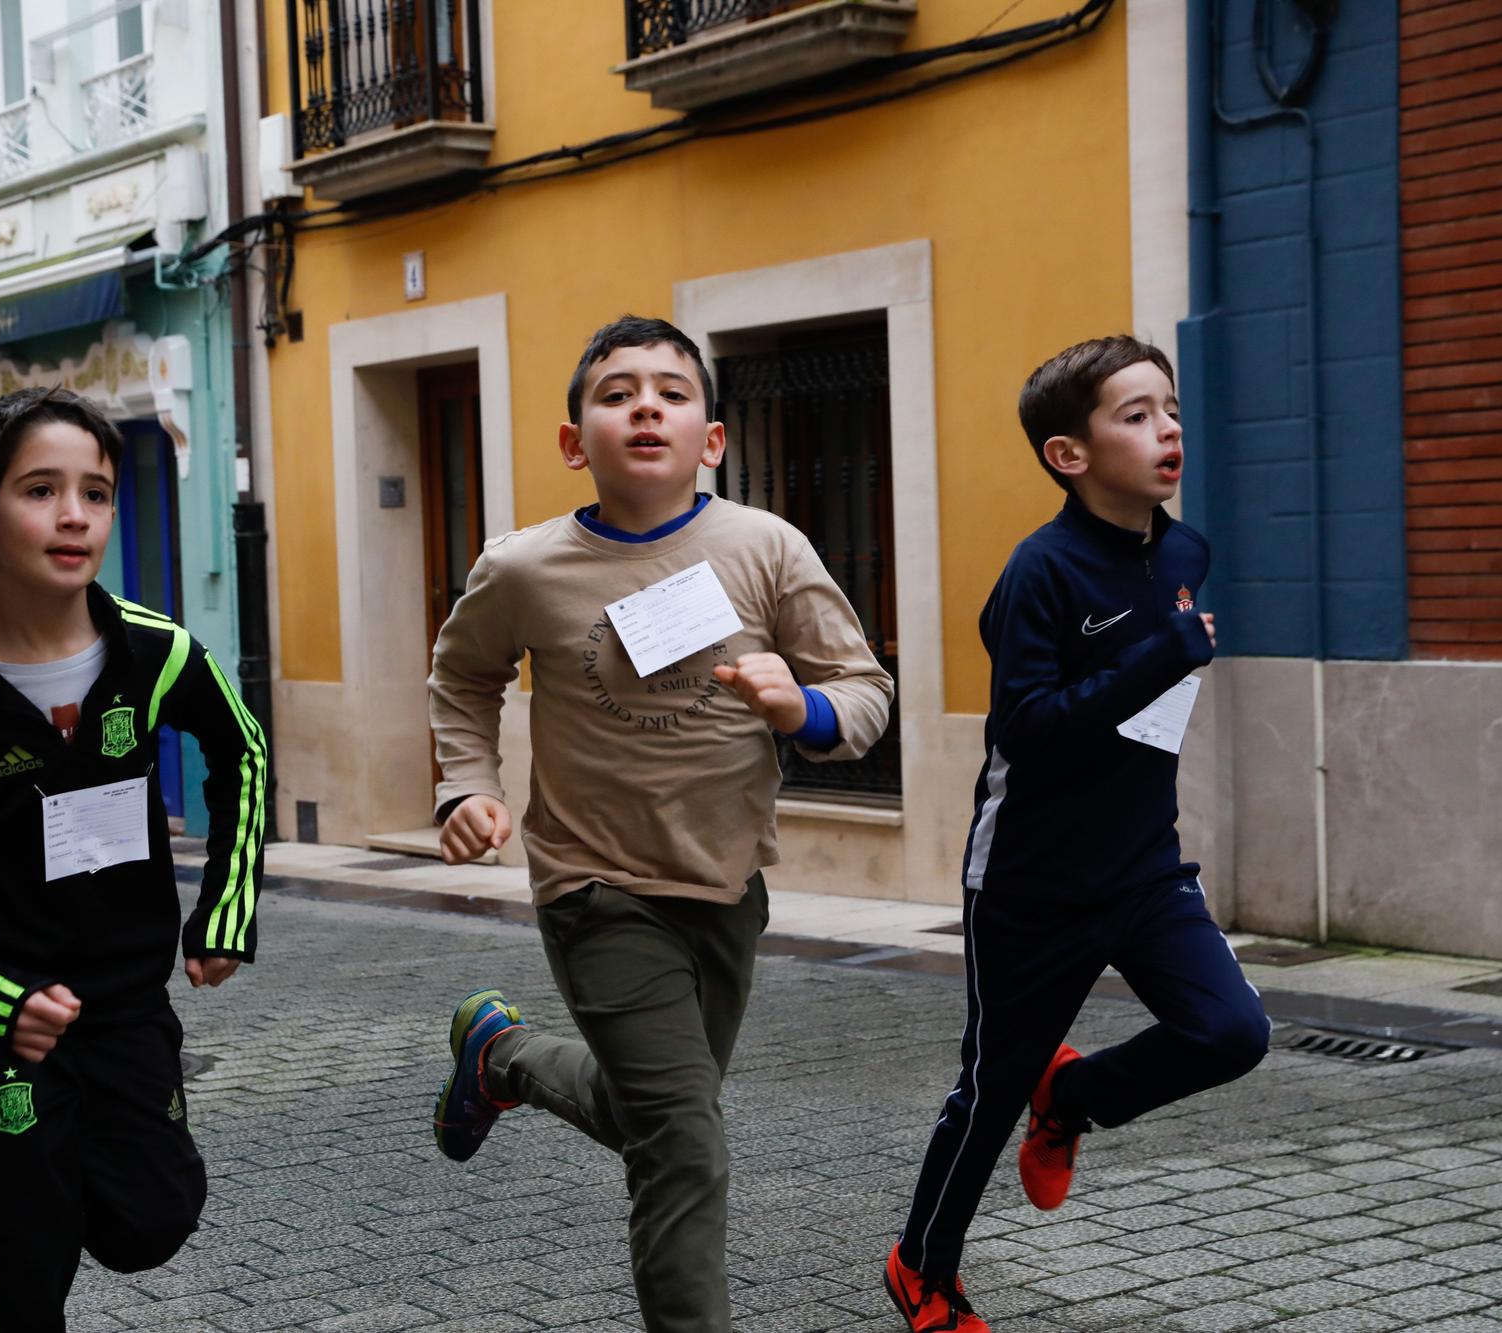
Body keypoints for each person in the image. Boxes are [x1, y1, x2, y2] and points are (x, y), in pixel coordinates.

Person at [425, 314, 896, 1332]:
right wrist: (465, 785)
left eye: (672, 391)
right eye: (616, 391)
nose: (645, 405)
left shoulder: (765, 548)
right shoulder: (522, 568)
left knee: (646, 1114)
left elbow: (863, 692)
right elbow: (462, 676)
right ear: (571, 439)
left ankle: (499, 1055)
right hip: (593, 888)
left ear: (711, 438)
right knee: (683, 1145)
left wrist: (800, 708)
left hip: (726, 888)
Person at [883, 336, 1271, 1331]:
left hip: (1144, 865)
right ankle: (921, 1266)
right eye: (1133, 415)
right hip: (1029, 879)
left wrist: (1155, 653)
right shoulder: (1040, 571)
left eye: (1169, 408)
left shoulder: (1184, 551)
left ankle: (1074, 1101)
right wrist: (1158, 659)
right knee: (989, 1086)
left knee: (1230, 1030)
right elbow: (1026, 726)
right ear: (1069, 454)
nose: (1166, 428)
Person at [0, 386, 268, 1332]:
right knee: (30, 1259)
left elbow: (242, 750)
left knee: (151, 1221)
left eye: (95, 490)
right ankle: (3, 1199)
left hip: (125, 996)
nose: (74, 514)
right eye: (41, 490)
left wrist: (225, 909)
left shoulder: (156, 653)